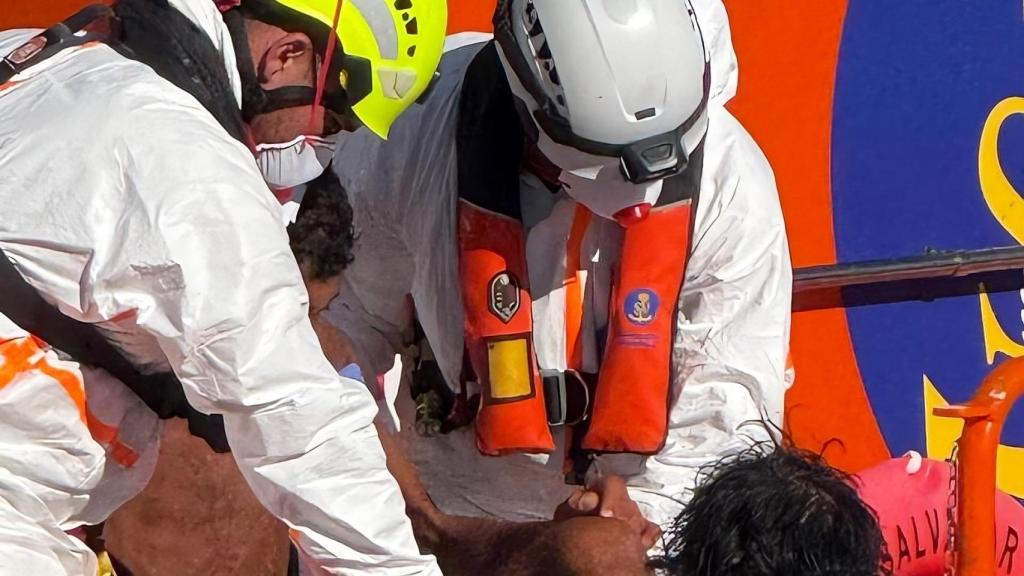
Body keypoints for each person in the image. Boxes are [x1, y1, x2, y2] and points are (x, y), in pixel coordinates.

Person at [0, 0, 448, 573]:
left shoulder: (51, 60)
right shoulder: (184, 163)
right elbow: (297, 419)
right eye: (332, 123)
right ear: (286, 57)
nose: (323, 149)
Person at [326, 0, 792, 537]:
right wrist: (394, 503)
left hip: (642, 514)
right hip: (447, 503)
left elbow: (729, 404)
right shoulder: (412, 128)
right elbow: (344, 324)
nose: (639, 205)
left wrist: (635, 525)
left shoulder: (734, 184)